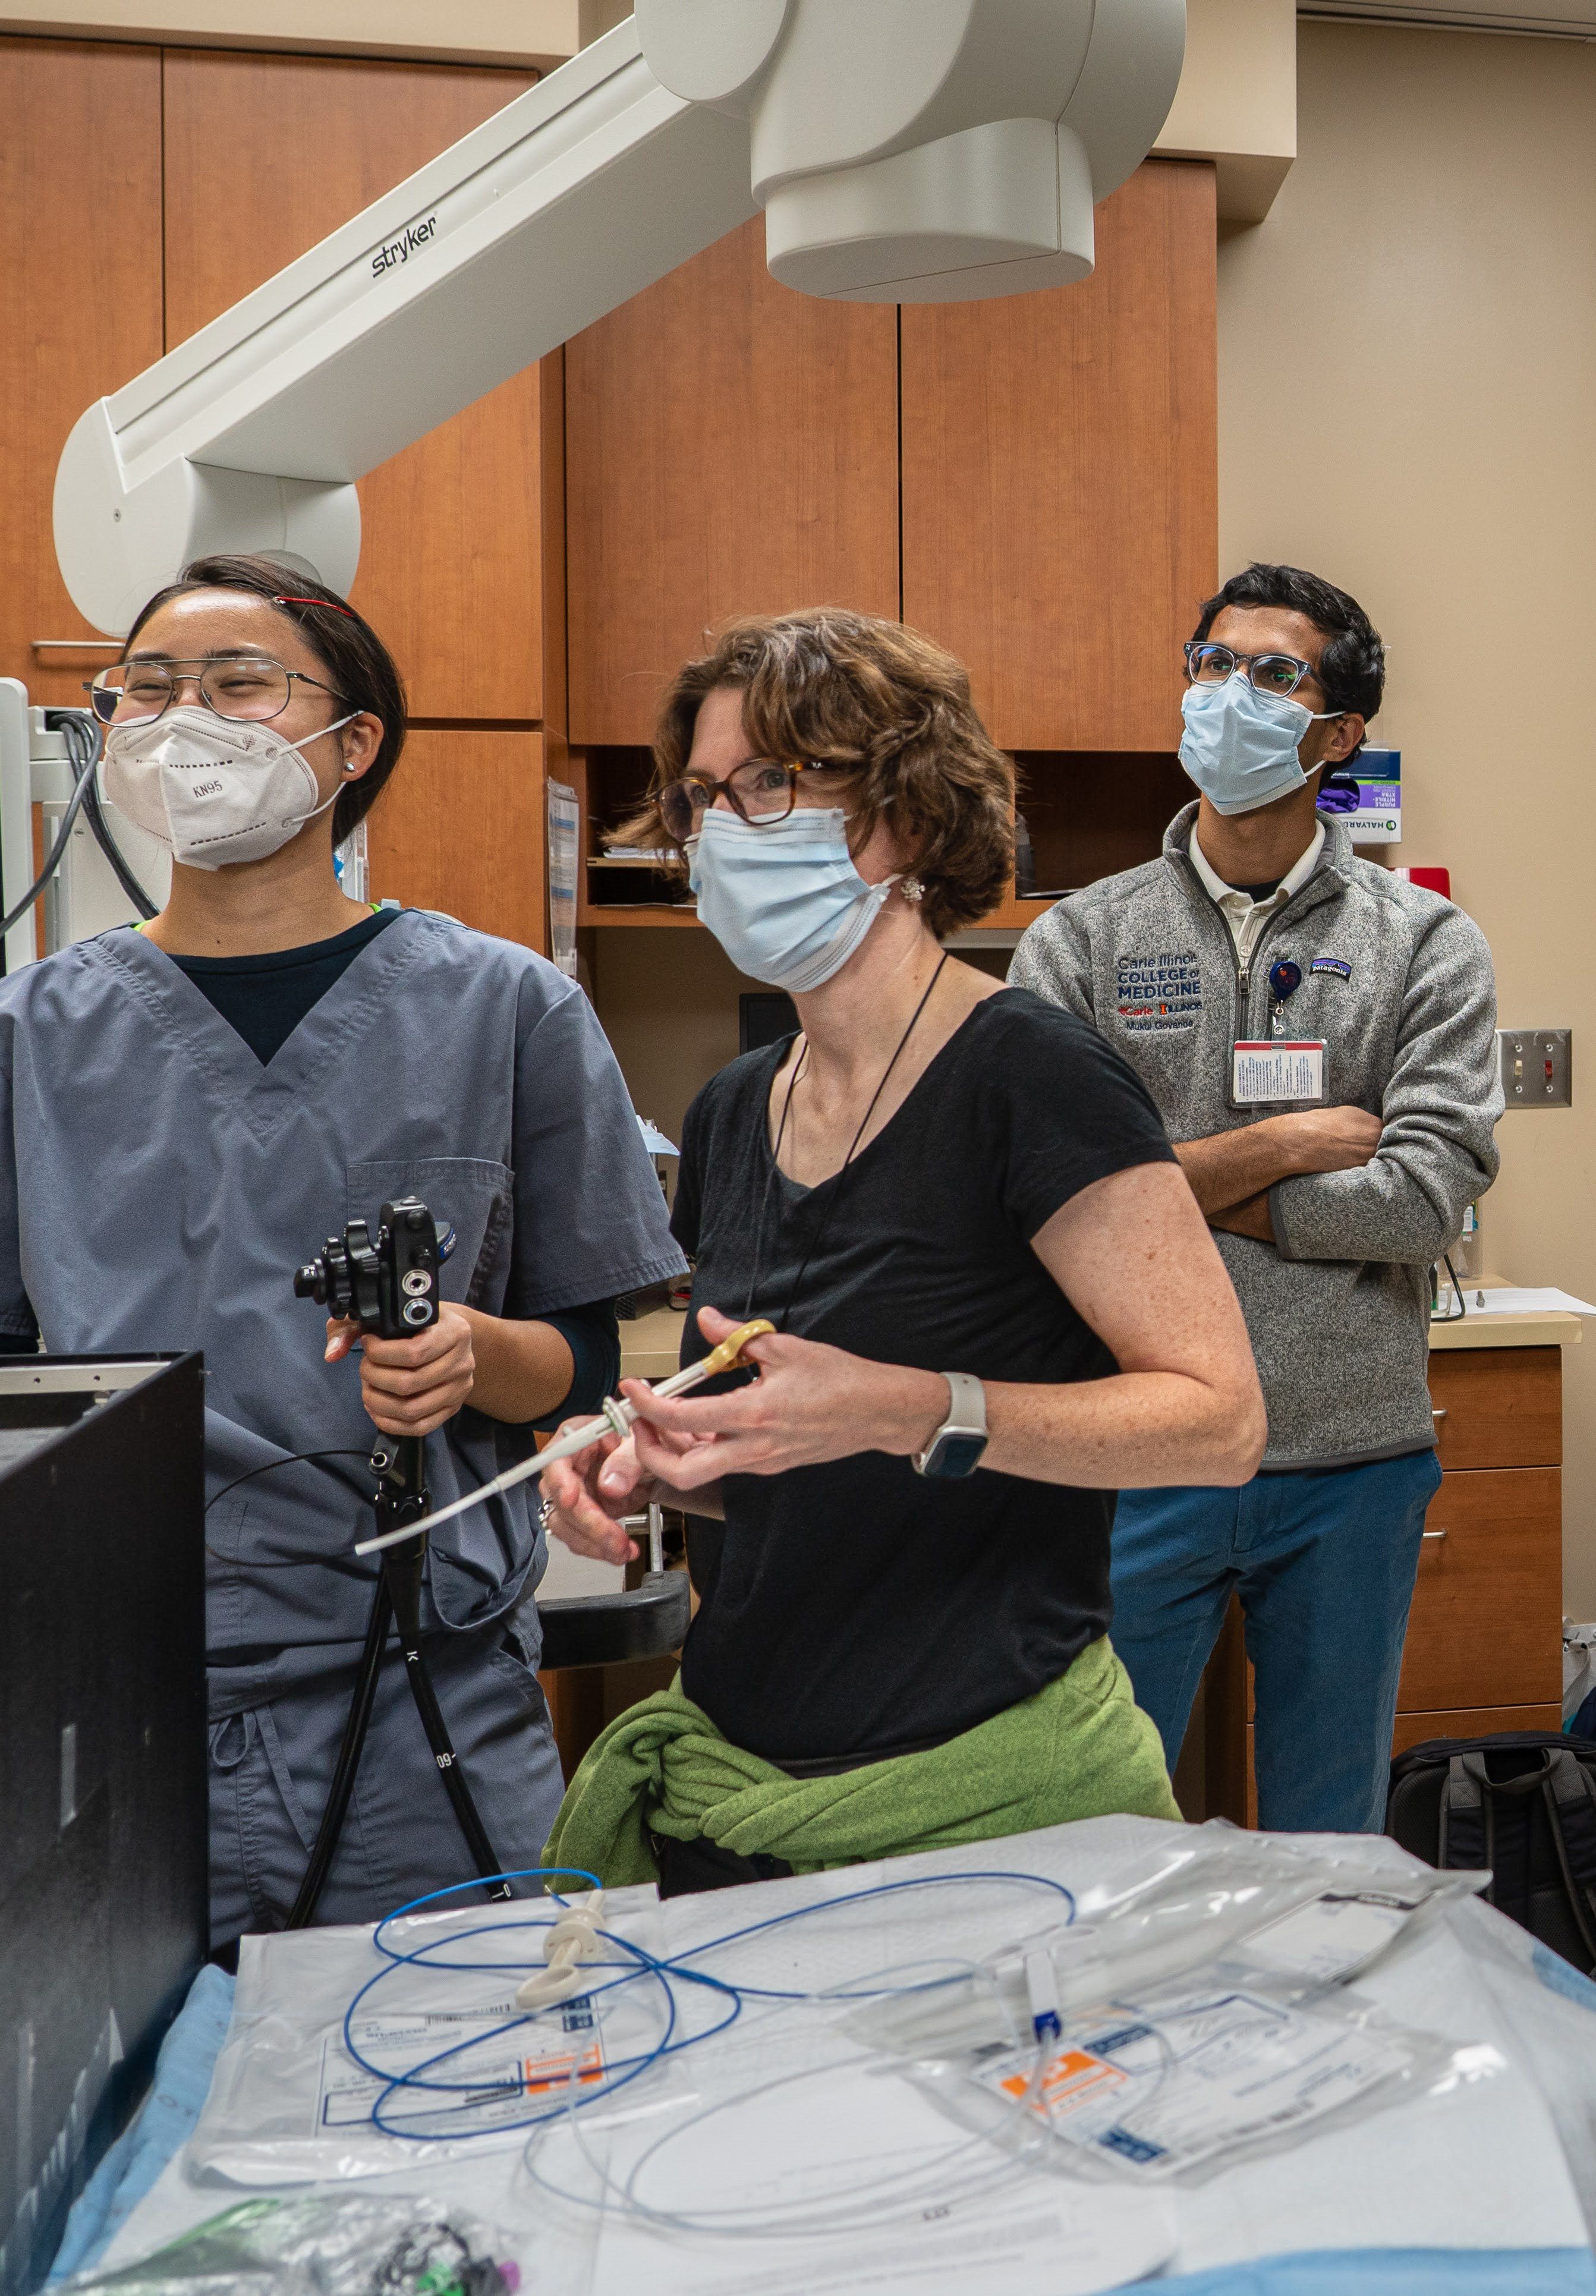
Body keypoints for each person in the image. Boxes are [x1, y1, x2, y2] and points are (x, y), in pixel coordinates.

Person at [0, 553, 685, 1956]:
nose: (188, 722)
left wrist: (476, 1356)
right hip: (107, 1713)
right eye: (148, 691)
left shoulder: (508, 1012)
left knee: (461, 2104)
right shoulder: (12, 1043)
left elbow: (580, 1359)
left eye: (239, 686)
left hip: (424, 1708)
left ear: (352, 745)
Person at [536, 609, 1264, 1895]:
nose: (722, 826)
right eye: (702, 795)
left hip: (985, 1799)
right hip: (746, 1793)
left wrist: (904, 1408)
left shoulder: (1030, 1078)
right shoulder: (729, 1110)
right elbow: (800, 1459)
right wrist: (668, 1468)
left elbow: (1214, 1422)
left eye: (773, 779)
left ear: (909, 816)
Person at [1009, 562, 1502, 1831]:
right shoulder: (1080, 942)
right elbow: (1046, 1206)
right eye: (1209, 663)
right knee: (1094, 1821)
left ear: (1337, 734)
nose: (1227, 693)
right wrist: (1281, 1149)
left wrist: (1157, 1186)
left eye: (1271, 674)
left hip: (1349, 1457)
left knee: (1324, 1828)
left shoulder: (1425, 946)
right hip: (1133, 1451)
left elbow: (1419, 1202)